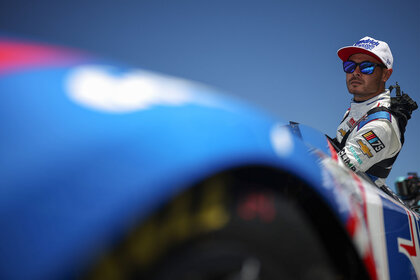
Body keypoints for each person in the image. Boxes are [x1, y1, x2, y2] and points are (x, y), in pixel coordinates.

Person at [331, 36, 417, 187]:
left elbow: (336, 170)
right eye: (350, 66)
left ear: (385, 75)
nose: (356, 72)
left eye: (366, 67)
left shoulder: (381, 125)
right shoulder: (359, 108)